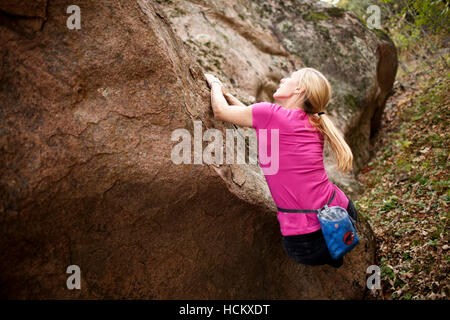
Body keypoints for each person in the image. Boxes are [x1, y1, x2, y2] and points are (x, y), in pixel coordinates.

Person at [205, 68, 359, 268]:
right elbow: (253, 118)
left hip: (305, 242)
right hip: (341, 213)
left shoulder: (271, 114)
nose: (284, 79)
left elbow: (221, 112)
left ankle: (331, 253)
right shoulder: (314, 122)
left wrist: (214, 83)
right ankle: (334, 252)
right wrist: (227, 94)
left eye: (289, 77)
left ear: (299, 89)